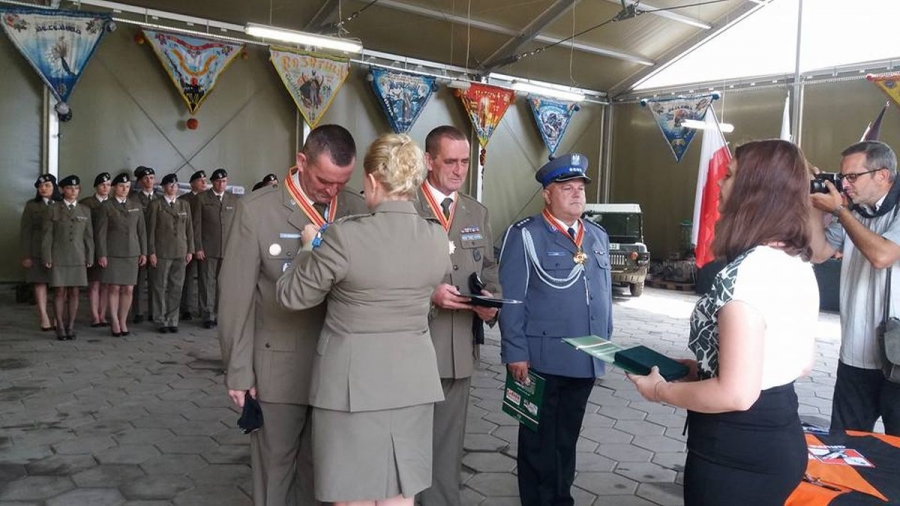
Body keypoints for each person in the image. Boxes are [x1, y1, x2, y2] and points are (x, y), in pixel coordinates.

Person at [629, 139, 819, 505]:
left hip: (735, 453)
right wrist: (700, 369)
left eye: (729, 175)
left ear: (754, 189)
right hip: (779, 434)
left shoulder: (747, 275)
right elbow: (800, 362)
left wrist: (660, 391)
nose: (719, 182)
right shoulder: (796, 263)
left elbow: (735, 394)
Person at [275, 133, 449, 506]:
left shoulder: (344, 237)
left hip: (351, 390)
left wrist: (308, 247)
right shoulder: (437, 237)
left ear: (371, 180)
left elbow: (292, 296)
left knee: (353, 495)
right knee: (401, 494)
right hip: (413, 386)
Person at [219, 124, 367, 506]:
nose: (331, 191)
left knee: (325, 474)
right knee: (275, 471)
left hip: (339, 368)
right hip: (279, 369)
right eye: (324, 181)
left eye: (341, 182)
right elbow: (235, 298)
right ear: (302, 162)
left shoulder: (356, 209)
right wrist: (238, 371)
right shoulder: (257, 211)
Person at [498, 153, 612, 506]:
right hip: (542, 361)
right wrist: (515, 351)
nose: (577, 194)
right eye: (567, 188)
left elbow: (603, 297)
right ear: (547, 194)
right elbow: (512, 299)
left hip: (586, 357)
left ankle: (561, 499)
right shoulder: (526, 235)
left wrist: (605, 348)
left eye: (580, 188)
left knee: (566, 440)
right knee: (538, 443)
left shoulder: (596, 236)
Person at [415, 125, 500, 506]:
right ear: (428, 160)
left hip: (458, 351)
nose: (459, 170)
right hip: (411, 348)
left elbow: (490, 271)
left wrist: (490, 302)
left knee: (448, 448)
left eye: (465, 162)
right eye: (450, 161)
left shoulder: (475, 212)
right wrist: (429, 295)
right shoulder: (405, 207)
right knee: (406, 443)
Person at [809, 140, 900, 436]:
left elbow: (882, 255)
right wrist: (814, 202)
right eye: (842, 177)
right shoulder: (854, 210)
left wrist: (840, 211)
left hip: (897, 356)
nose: (845, 185)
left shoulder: (856, 212)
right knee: (844, 445)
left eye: (852, 177)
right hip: (855, 353)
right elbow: (818, 252)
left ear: (882, 175)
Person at [42, 175, 94, 341]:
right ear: (63, 190)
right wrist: (47, 256)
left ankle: (71, 325)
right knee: (59, 292)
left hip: (78, 256)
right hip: (59, 256)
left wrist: (90, 256)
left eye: (76, 188)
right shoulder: (53, 209)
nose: (73, 191)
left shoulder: (84, 210)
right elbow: (47, 236)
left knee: (75, 292)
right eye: (70, 188)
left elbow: (88, 237)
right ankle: (60, 325)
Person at [97, 172, 148, 338]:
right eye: (121, 186)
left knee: (128, 288)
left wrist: (144, 252)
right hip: (113, 253)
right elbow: (101, 233)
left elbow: (142, 231)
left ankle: (123, 320)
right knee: (114, 288)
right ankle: (114, 320)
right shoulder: (107, 206)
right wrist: (102, 254)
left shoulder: (136, 205)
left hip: (132, 252)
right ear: (114, 188)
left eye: (127, 186)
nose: (124, 189)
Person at [192, 168, 239, 329]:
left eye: (224, 181)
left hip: (227, 248)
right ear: (212, 182)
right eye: (218, 181)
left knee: (224, 283)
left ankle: (221, 313)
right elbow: (196, 225)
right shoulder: (202, 198)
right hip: (208, 248)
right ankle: (208, 314)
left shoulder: (233, 200)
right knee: (207, 282)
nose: (221, 184)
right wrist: (198, 247)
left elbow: (236, 226)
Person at [148, 173, 194, 334]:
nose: (174, 187)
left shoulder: (184, 205)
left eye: (176, 185)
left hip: (180, 250)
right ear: (163, 187)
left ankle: (173, 319)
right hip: (162, 251)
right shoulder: (156, 205)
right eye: (170, 185)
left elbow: (189, 229)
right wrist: (151, 252)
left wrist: (190, 249)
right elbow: (151, 230)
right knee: (160, 286)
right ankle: (161, 319)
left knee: (177, 286)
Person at [20, 174, 59, 331]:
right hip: (37, 249)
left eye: (47, 185)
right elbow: (26, 231)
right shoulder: (32, 206)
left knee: (60, 285)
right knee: (40, 282)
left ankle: (58, 317)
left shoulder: (61, 203)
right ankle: (43, 316)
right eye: (40, 186)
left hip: (58, 249)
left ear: (54, 187)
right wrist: (26, 255)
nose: (43, 188)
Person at [129, 165, 161, 324]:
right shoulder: (134, 200)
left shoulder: (160, 199)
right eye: (146, 178)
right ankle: (138, 311)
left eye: (152, 178)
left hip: (156, 244)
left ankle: (153, 311)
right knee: (139, 281)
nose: (149, 181)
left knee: (156, 281)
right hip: (140, 242)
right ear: (140, 181)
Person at [81, 172, 111, 328]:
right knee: (94, 284)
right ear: (96, 187)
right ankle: (94, 316)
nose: (105, 188)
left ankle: (102, 314)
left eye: (108, 185)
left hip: (109, 248)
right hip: (92, 247)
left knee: (105, 284)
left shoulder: (113, 203)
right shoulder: (86, 203)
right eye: (102, 185)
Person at [179, 170, 206, 321]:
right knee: (187, 278)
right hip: (188, 243)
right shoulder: (184, 200)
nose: (204, 183)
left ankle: (204, 308)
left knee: (205, 279)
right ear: (192, 184)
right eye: (200, 180)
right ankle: (186, 308)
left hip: (204, 244)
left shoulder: (208, 198)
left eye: (205, 180)